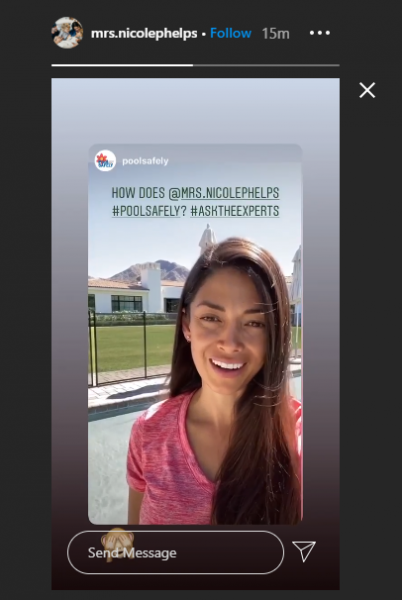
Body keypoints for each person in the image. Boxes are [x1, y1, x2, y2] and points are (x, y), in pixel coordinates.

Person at [126, 237, 302, 525]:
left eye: (254, 323)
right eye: (211, 318)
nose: (230, 343)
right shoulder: (149, 432)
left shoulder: (298, 438)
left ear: (274, 336)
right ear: (186, 325)